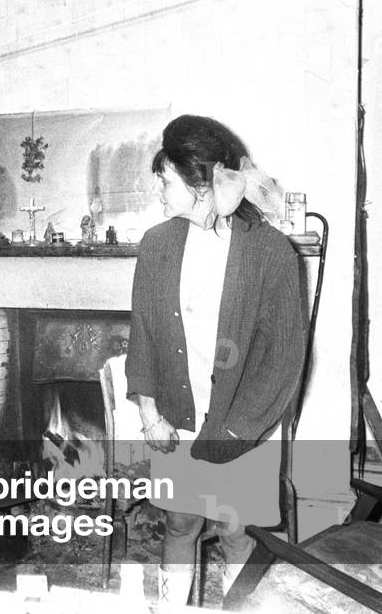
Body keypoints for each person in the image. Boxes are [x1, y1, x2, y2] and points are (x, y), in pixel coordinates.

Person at [125, 114, 307, 604]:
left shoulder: (270, 252)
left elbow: (284, 357)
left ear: (199, 185)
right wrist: (149, 413)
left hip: (238, 424)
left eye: (165, 180)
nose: (159, 191)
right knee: (178, 524)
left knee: (235, 531)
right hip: (177, 419)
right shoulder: (157, 245)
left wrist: (234, 432)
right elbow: (141, 331)